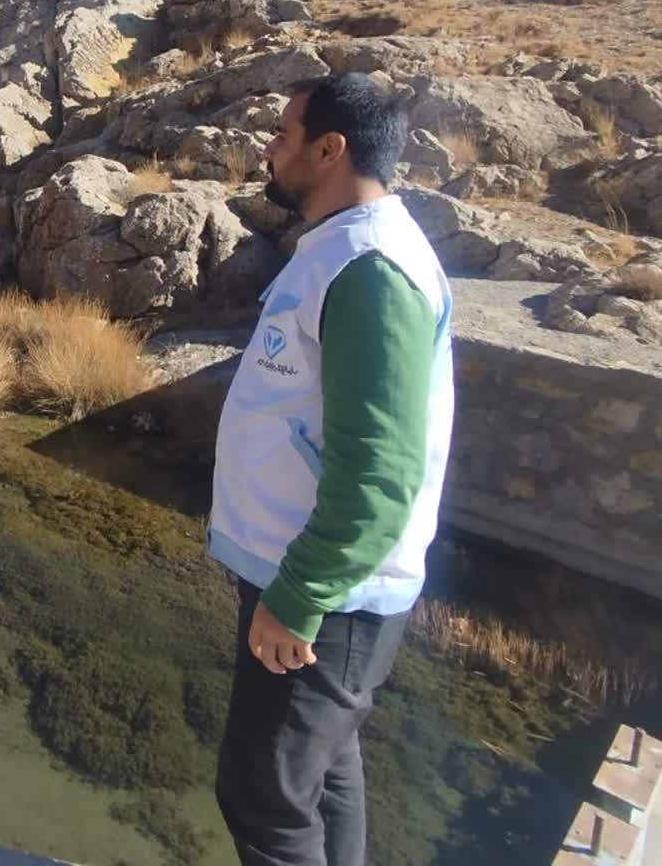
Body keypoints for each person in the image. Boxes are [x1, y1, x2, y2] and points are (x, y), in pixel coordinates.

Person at [208, 72, 454, 866]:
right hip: (307, 577)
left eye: (282, 136)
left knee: (265, 801)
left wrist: (300, 595)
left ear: (328, 149)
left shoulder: (372, 269)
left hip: (328, 593)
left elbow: (380, 470)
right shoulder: (339, 247)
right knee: (322, 775)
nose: (268, 151)